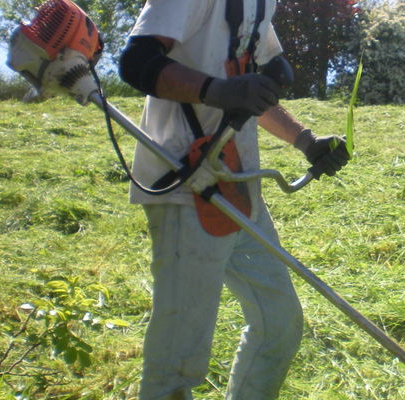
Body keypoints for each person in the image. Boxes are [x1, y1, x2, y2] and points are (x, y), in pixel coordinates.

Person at [117, 0, 349, 398]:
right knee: (176, 366)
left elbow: (248, 84)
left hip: (237, 186)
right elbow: (136, 63)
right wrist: (216, 92)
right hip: (186, 185)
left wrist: (307, 142)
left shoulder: (260, 5)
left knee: (279, 325)